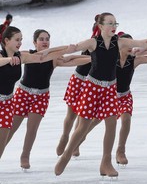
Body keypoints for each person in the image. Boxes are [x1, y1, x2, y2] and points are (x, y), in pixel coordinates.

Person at [54, 12, 147, 177]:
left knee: (111, 124)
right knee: (83, 125)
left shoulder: (119, 42)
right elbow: (75, 47)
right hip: (92, 87)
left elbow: (142, 42)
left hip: (110, 89)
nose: (113, 27)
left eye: (115, 24)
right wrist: (64, 50)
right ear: (101, 26)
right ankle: (67, 155)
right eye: (110, 23)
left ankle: (106, 162)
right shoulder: (93, 42)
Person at [70, 32, 147, 165]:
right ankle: (77, 143)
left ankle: (120, 151)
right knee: (94, 122)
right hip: (108, 95)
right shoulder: (110, 59)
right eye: (127, 44)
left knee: (126, 119)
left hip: (124, 96)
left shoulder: (133, 60)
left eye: (131, 44)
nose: (130, 47)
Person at [4, 29, 90, 170]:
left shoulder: (53, 59)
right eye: (41, 39)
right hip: (23, 95)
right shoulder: (26, 54)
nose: (45, 42)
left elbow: (72, 61)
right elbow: (11, 56)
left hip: (41, 97)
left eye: (47, 39)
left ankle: (25, 156)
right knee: (10, 128)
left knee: (32, 128)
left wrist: (95, 58)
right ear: (35, 42)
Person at [56, 15, 100, 158]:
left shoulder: (111, 45)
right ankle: (64, 137)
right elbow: (75, 52)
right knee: (72, 115)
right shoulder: (90, 42)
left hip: (93, 84)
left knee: (84, 118)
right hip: (79, 80)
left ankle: (76, 144)